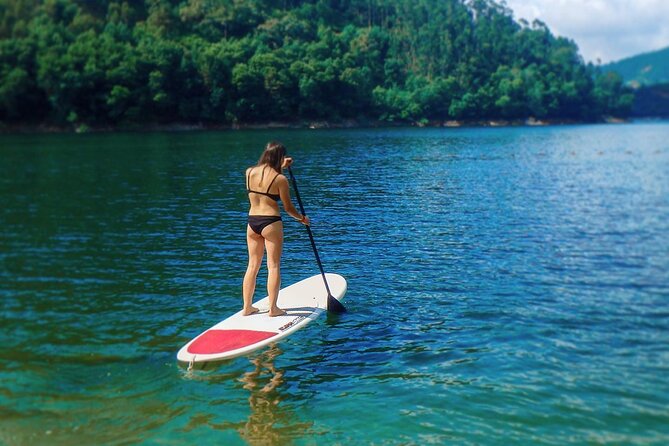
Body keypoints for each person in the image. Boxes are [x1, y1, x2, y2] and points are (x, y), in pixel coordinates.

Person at [242, 141, 310, 317]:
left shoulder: (249, 172)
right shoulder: (280, 179)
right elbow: (288, 208)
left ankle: (247, 307)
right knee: (273, 266)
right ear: (279, 157)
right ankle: (273, 309)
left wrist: (281, 166)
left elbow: (264, 178)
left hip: (252, 222)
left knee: (252, 266)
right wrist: (302, 219)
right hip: (270, 222)